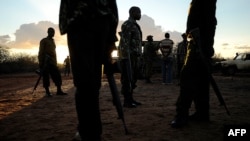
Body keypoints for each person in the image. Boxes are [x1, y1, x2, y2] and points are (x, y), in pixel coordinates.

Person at [59, 0, 119, 140]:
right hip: (99, 23)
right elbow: (112, 6)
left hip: (81, 21)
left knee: (85, 83)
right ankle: (92, 131)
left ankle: (87, 132)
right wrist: (111, 35)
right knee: (90, 83)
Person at [171, 0, 217, 128]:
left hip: (198, 44)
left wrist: (203, 45)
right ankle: (202, 113)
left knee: (187, 79)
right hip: (200, 43)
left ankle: (181, 116)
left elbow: (209, 22)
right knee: (202, 81)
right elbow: (210, 22)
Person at [118, 6, 142, 108]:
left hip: (134, 57)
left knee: (133, 79)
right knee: (127, 78)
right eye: (139, 13)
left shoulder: (134, 25)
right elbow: (124, 43)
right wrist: (125, 58)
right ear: (133, 13)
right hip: (128, 57)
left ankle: (130, 99)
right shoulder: (128, 24)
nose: (140, 15)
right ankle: (127, 101)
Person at [38, 27, 67, 97]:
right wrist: (41, 63)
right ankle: (47, 92)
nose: (52, 33)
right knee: (46, 77)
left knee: (57, 76)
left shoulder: (53, 41)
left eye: (53, 32)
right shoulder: (43, 41)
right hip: (46, 62)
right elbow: (41, 52)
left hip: (53, 62)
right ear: (48, 32)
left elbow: (54, 53)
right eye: (51, 32)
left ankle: (59, 90)